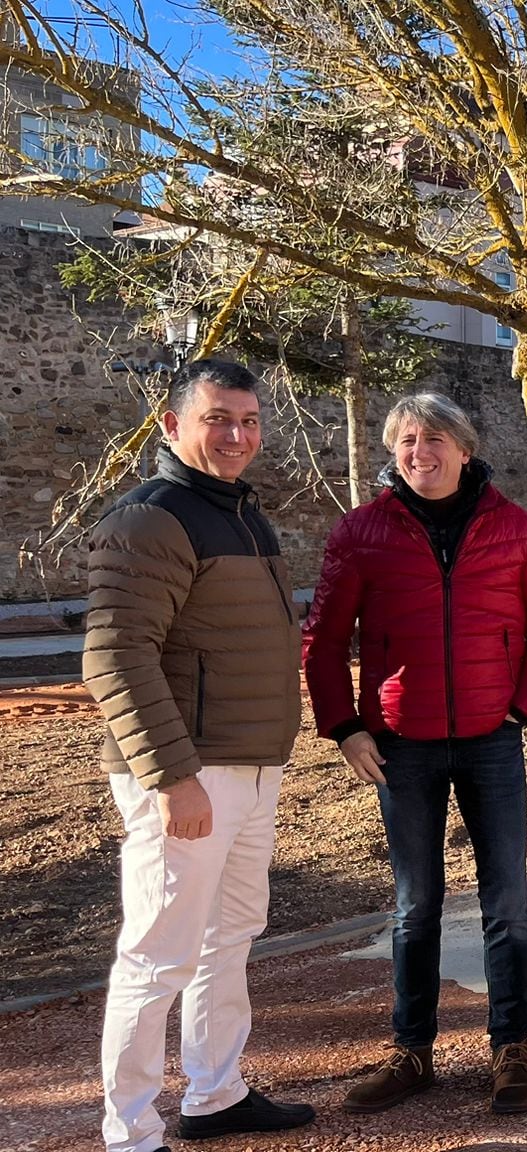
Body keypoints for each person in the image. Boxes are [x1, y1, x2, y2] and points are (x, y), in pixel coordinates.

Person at [301, 393, 527, 1116]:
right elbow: (324, 640)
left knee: (508, 903)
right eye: (406, 440)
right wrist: (344, 727)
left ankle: (510, 1048)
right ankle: (410, 1050)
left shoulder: (512, 528)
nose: (419, 452)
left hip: (492, 740)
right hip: (402, 745)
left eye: (433, 440)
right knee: (415, 906)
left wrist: (525, 707)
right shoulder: (362, 532)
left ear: (463, 448)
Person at [84, 358, 315, 1152]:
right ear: (172, 425)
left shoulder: (245, 515)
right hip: (189, 772)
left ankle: (215, 1094)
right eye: (218, 418)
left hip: (251, 767)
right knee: (158, 954)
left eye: (249, 421)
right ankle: (131, 1133)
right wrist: (173, 777)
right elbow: (115, 655)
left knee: (229, 937)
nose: (237, 435)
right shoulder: (151, 519)